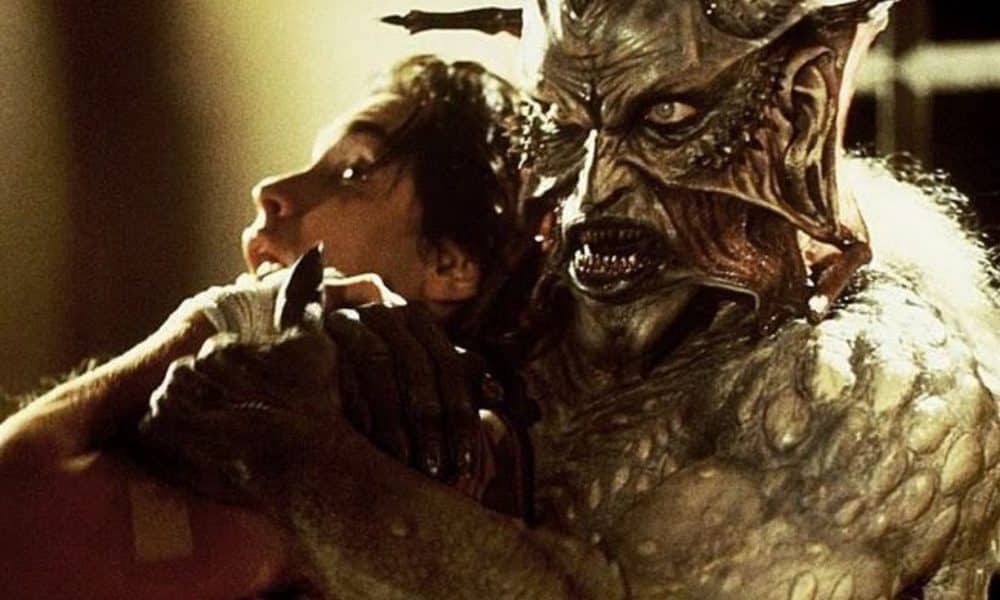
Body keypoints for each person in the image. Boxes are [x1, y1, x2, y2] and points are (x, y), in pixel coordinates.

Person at [137, 1, 1000, 598]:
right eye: (563, 124)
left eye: (665, 119)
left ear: (800, 112)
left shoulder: (883, 382)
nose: (591, 193)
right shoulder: (540, 304)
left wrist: (297, 457)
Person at [0, 54, 529, 599]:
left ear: (450, 263)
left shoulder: (305, 476)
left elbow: (13, 503)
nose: (269, 189)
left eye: (353, 172)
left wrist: (209, 322)